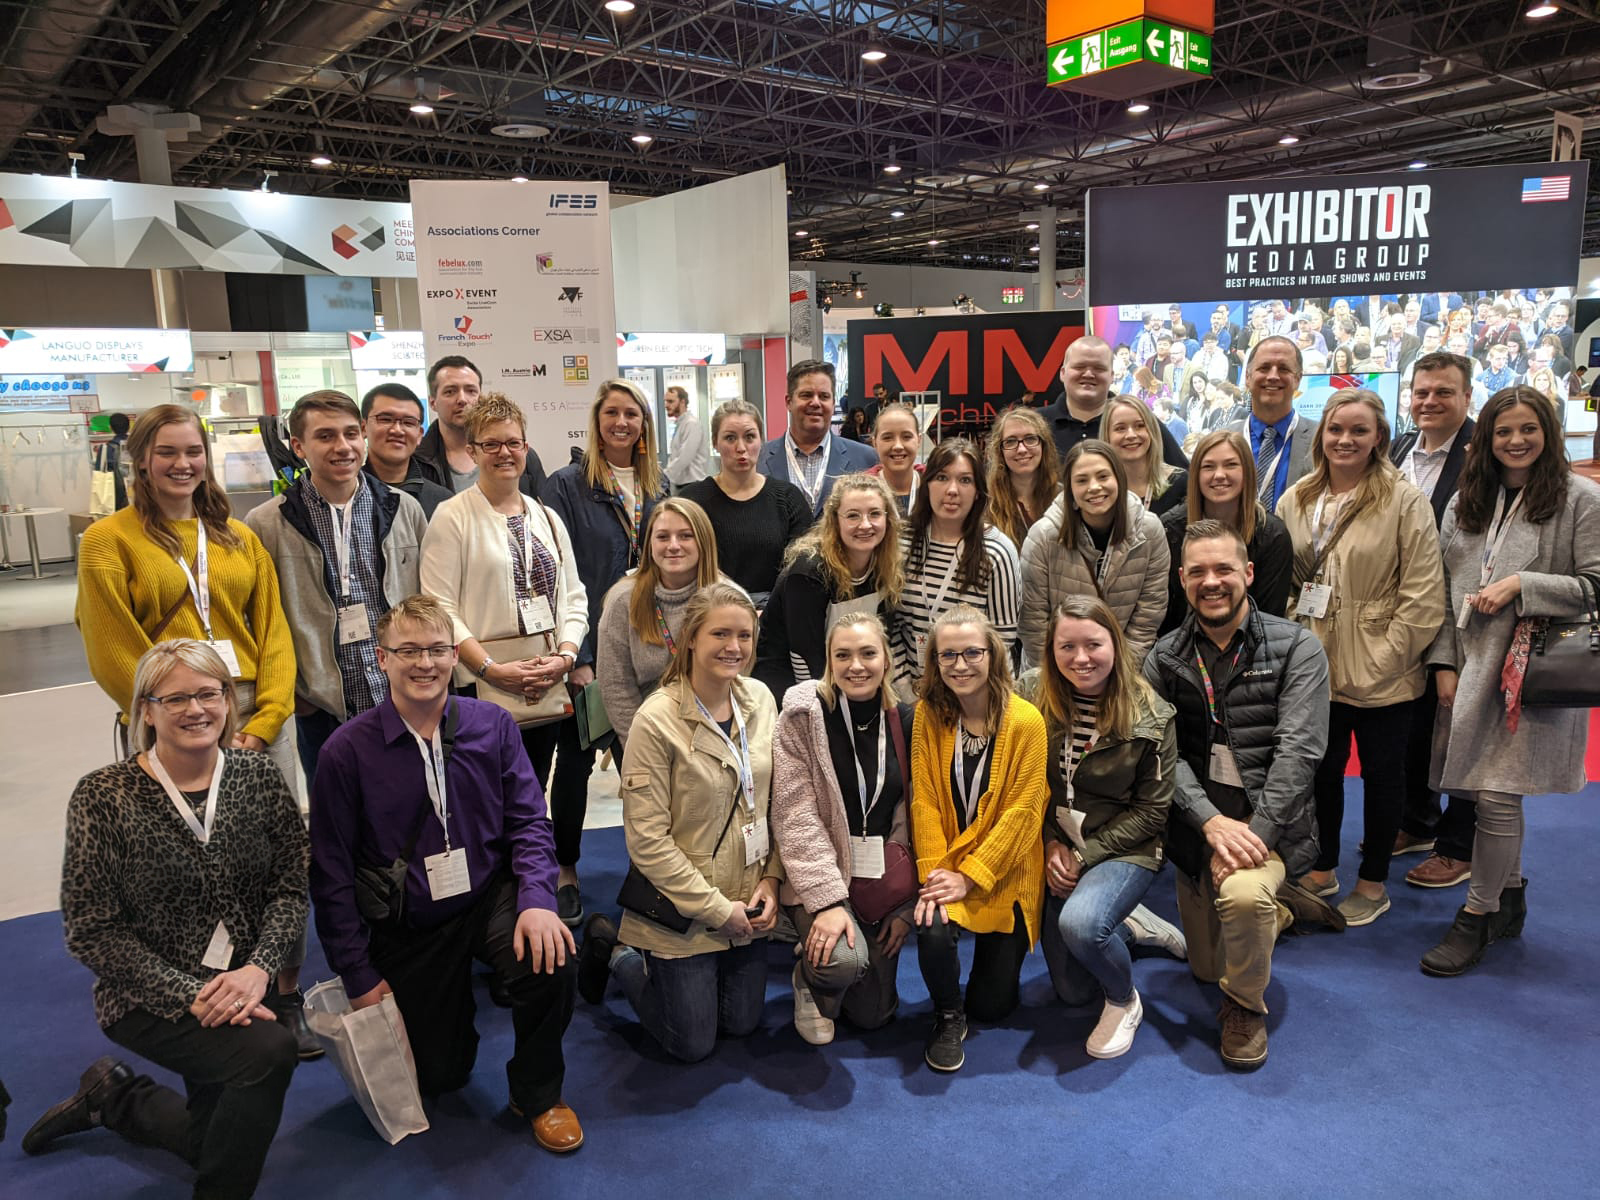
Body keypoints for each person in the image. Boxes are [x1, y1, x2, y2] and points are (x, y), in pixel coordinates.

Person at [26, 640, 308, 1195]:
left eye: (208, 693)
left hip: (244, 986)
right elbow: (91, 930)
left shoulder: (258, 776)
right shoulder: (104, 796)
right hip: (150, 998)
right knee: (270, 1054)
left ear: (228, 701)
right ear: (145, 710)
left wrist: (259, 969)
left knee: (215, 1138)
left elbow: (290, 888)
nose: (195, 709)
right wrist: (189, 994)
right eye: (174, 698)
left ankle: (116, 1097)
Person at [73, 403, 310, 1052]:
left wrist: (262, 723)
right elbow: (111, 646)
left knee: (273, 864)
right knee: (183, 864)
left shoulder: (237, 537)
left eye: (192, 452)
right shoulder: (109, 541)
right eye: (167, 452)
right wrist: (179, 716)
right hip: (169, 718)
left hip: (255, 717)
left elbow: (274, 634)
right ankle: (193, 990)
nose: (182, 464)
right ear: (142, 461)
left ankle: (282, 988)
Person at [308, 597, 582, 1150]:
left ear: (456, 656)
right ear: (380, 659)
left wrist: (536, 899)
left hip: (487, 895)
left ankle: (539, 1094)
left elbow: (530, 820)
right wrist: (357, 975)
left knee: (552, 960)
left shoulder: (493, 725)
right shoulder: (346, 753)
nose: (424, 663)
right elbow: (331, 874)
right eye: (407, 650)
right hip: (408, 920)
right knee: (441, 1077)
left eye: (436, 649)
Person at [1143, 521, 1338, 1070]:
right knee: (1204, 967)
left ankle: (1245, 1006)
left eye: (1224, 569)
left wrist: (1254, 836)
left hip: (1267, 830)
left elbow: (1299, 753)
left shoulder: (1297, 647)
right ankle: (1278, 914)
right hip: (1199, 832)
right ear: (1182, 580)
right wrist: (1209, 824)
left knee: (1244, 899)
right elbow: (1163, 755)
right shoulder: (1163, 658)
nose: (1212, 582)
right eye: (1198, 571)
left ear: (1248, 573)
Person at [1419, 388, 1600, 975]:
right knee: (1486, 789)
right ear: (1486, 439)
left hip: (1532, 675)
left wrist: (1526, 583)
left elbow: (1596, 586)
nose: (1516, 441)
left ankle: (1477, 913)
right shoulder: (1466, 503)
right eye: (1503, 431)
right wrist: (1444, 662)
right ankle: (1512, 894)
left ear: (1547, 431)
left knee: (1497, 793)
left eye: (1528, 429)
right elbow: (1443, 595)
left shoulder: (1581, 500)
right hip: (1472, 668)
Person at [575, 583, 782, 1063]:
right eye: (720, 634)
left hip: (747, 895)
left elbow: (777, 804)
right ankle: (618, 951)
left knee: (742, 1023)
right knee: (691, 1044)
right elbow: (647, 844)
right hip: (683, 906)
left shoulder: (762, 700)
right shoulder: (656, 720)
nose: (734, 647)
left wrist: (772, 879)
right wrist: (716, 911)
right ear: (692, 638)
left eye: (745, 636)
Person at [1278, 389, 1446, 927]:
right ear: (1320, 435)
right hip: (1312, 663)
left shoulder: (1405, 500)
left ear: (1379, 438)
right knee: (1321, 773)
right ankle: (1323, 867)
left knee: (1382, 776)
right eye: (1335, 429)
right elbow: (1286, 577)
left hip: (1383, 669)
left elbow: (1423, 595)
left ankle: (1373, 883)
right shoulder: (1298, 497)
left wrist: (1385, 657)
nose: (1345, 440)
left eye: (1358, 430)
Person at [420, 393, 588, 925]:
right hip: (481, 690)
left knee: (528, 797)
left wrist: (564, 654)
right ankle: (487, 915)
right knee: (484, 806)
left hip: (544, 681)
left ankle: (529, 900)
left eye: (512, 442)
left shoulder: (546, 516)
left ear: (526, 446)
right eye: (490, 444)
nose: (503, 453)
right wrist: (491, 670)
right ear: (472, 451)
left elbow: (574, 597)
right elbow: (440, 607)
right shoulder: (452, 517)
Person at [245, 390, 427, 779]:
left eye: (350, 434)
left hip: (398, 693)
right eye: (325, 436)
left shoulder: (402, 509)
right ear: (298, 446)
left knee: (411, 813)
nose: (342, 447)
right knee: (338, 821)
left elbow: (426, 603)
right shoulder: (267, 523)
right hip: (322, 704)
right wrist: (297, 691)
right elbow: (260, 618)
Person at [1030, 596, 1178, 1059]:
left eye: (1093, 644)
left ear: (1114, 643)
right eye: (1066, 646)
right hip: (1059, 841)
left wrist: (1080, 855)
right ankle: (1129, 920)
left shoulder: (1151, 714)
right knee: (1073, 991)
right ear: (1051, 650)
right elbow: (1023, 783)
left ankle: (1124, 1000)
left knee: (1081, 925)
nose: (1081, 658)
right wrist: (1051, 841)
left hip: (1125, 846)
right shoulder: (1031, 696)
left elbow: (1152, 814)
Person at [543, 378, 667, 914]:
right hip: (590, 655)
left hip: (650, 651)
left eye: (632, 414)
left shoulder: (660, 488)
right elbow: (554, 576)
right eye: (612, 413)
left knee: (650, 772)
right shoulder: (566, 487)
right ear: (597, 421)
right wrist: (580, 656)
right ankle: (566, 869)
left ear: (644, 425)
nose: (622, 423)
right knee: (574, 764)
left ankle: (654, 869)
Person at [910, 605, 1047, 1071]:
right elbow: (924, 802)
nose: (961, 664)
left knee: (993, 1006)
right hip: (947, 864)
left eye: (972, 652)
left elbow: (1023, 814)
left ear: (994, 654)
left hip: (1004, 869)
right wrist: (935, 877)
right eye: (948, 655)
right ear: (935, 662)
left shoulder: (1027, 721)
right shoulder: (928, 716)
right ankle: (948, 1016)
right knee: (931, 922)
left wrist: (970, 876)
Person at [770, 613, 916, 1044]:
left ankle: (820, 961)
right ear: (828, 663)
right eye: (843, 655)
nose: (857, 665)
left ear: (887, 660)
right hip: (820, 875)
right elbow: (794, 816)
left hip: (878, 880)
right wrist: (829, 901)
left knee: (874, 1016)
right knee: (843, 964)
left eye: (868, 653)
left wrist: (905, 906)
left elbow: (919, 817)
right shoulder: (803, 718)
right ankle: (807, 979)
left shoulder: (907, 722)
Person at [1387, 353, 1480, 888]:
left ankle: (1458, 844)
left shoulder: (1481, 456)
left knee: (1461, 733)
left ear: (1466, 397)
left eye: (1443, 392)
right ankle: (1419, 821)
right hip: (1406, 614)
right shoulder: (1400, 448)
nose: (1429, 402)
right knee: (1414, 727)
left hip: (1462, 617)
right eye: (1421, 392)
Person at [1019, 439, 1169, 670]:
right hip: (1053, 672)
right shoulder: (1042, 537)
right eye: (1081, 480)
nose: (1094, 487)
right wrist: (1062, 675)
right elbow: (1033, 623)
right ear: (1070, 489)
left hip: (1122, 671)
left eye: (1103, 476)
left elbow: (1149, 614)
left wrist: (1119, 672)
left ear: (1118, 478)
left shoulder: (1150, 531)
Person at [894, 438, 1021, 697]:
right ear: (927, 484)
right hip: (909, 694)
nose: (952, 490)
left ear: (978, 491)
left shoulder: (997, 550)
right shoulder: (901, 542)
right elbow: (891, 625)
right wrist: (907, 694)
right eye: (941, 478)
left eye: (965, 480)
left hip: (975, 694)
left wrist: (970, 697)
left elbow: (1002, 640)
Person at [756, 473, 903, 697]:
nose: (865, 525)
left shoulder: (886, 567)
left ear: (887, 518)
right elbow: (804, 659)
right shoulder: (808, 572)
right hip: (790, 684)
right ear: (835, 521)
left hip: (848, 675)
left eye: (874, 514)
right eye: (853, 516)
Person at [596, 497, 724, 752]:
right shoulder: (623, 600)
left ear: (703, 541)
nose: (673, 546)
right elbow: (615, 684)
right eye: (663, 537)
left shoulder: (727, 599)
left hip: (714, 733)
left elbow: (739, 680)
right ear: (650, 544)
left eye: (685, 536)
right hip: (643, 732)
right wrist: (641, 745)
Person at [677, 400, 812, 607]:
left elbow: (801, 569)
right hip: (708, 614)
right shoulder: (692, 501)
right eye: (730, 438)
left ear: (761, 441)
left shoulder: (788, 499)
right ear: (715, 443)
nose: (741, 448)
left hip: (776, 616)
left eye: (749, 437)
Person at [1158, 430, 1294, 635]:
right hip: (1181, 648)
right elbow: (1166, 609)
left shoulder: (1272, 535)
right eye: (1208, 467)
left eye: (1231, 465)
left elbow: (1269, 616)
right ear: (1196, 474)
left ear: (1247, 471)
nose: (1219, 475)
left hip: (1251, 648)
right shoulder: (1171, 529)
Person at [1038, 336, 1187, 468]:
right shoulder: (1036, 424)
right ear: (1063, 373)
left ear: (1111, 376)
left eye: (1099, 368)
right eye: (1079, 367)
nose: (1089, 374)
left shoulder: (1141, 421)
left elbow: (1184, 477)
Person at [758, 359, 879, 518]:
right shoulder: (759, 459)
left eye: (824, 396)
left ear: (833, 402)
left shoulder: (866, 459)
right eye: (806, 395)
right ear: (788, 402)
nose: (815, 402)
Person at [413, 355, 546, 497]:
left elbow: (542, 512)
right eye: (450, 391)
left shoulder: (521, 455)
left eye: (470, 391)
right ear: (432, 402)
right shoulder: (416, 461)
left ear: (480, 398)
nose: (462, 399)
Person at [1227, 335, 1315, 512]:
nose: (1273, 376)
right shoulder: (1224, 439)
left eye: (1283, 369)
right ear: (1248, 377)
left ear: (1297, 379)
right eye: (1264, 368)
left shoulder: (1321, 439)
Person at [360, 382, 454, 520]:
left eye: (408, 422)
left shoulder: (441, 501)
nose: (397, 430)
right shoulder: (345, 494)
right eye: (385, 419)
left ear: (419, 434)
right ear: (363, 428)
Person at [986, 404, 1062, 550]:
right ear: (999, 451)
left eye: (1030, 439)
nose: (1021, 449)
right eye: (1011, 441)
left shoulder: (1063, 498)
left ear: (1043, 445)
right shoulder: (986, 505)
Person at [1102, 395, 1188, 518]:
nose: (1131, 435)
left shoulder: (1181, 482)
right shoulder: (1101, 490)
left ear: (1151, 430)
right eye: (1120, 428)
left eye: (1140, 426)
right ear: (1107, 435)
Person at [866, 400, 924, 513]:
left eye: (906, 437)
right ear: (875, 443)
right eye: (887, 438)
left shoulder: (934, 486)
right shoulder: (860, 491)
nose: (898, 446)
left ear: (919, 440)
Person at [663, 385, 708, 489]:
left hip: (692, 486)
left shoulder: (691, 424)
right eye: (665, 401)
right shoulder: (682, 423)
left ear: (682, 402)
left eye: (670, 401)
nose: (666, 405)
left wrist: (664, 476)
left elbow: (685, 457)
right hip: (683, 485)